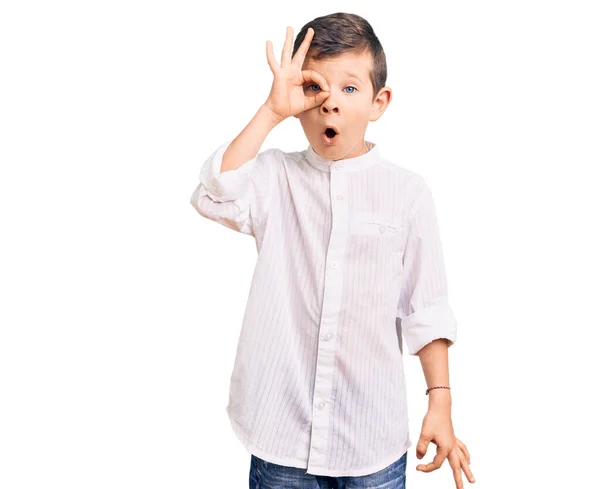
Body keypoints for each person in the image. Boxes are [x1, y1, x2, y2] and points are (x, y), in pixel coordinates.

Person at [190, 12, 476, 489]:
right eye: (315, 89)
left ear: (379, 101)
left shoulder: (407, 193)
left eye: (349, 89)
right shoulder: (273, 177)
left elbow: (426, 308)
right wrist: (271, 111)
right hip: (281, 433)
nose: (331, 106)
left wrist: (440, 403)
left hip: (371, 442)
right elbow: (214, 192)